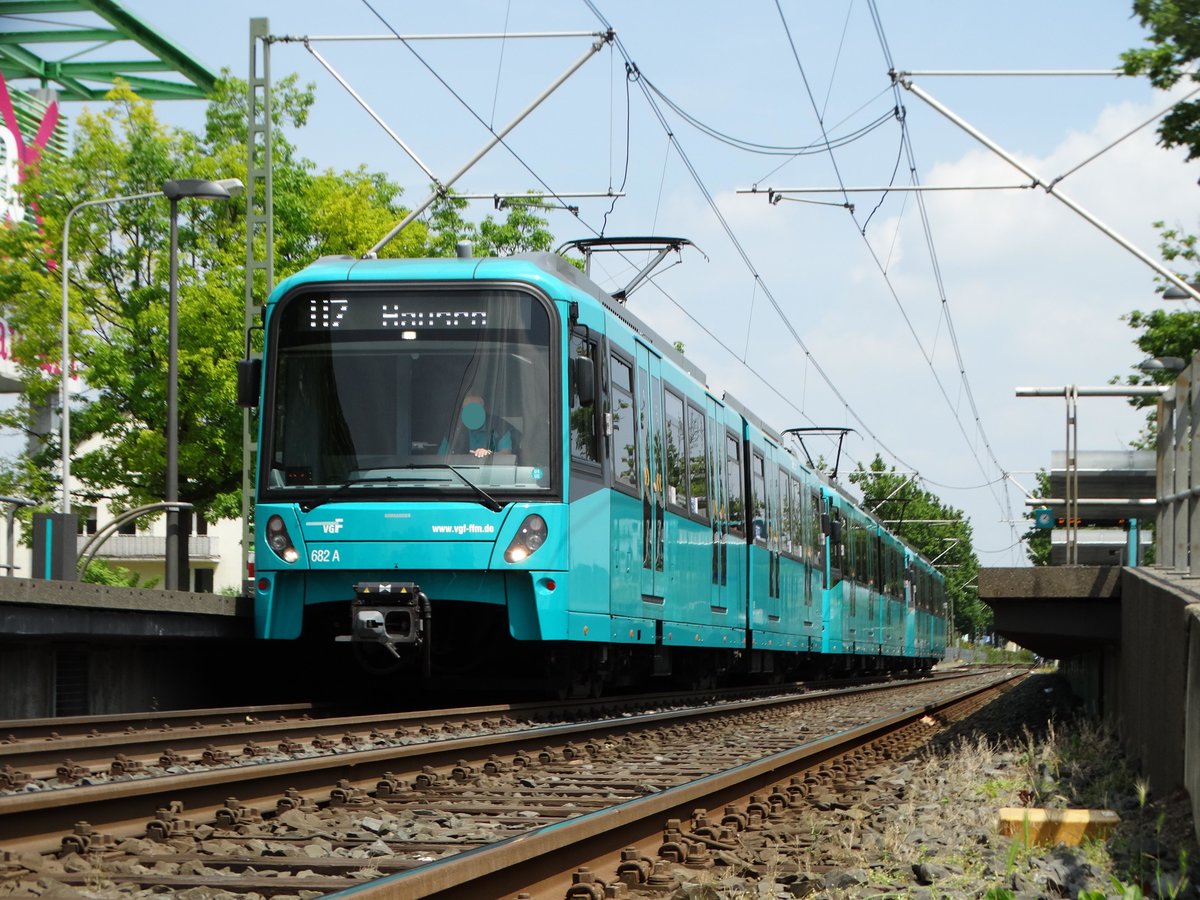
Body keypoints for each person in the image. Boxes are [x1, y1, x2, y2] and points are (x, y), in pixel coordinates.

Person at [439, 393, 518, 458]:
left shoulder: (500, 426)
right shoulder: (454, 431)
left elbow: (506, 455)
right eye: (466, 409)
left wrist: (489, 454)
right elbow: (440, 459)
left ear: (484, 410)